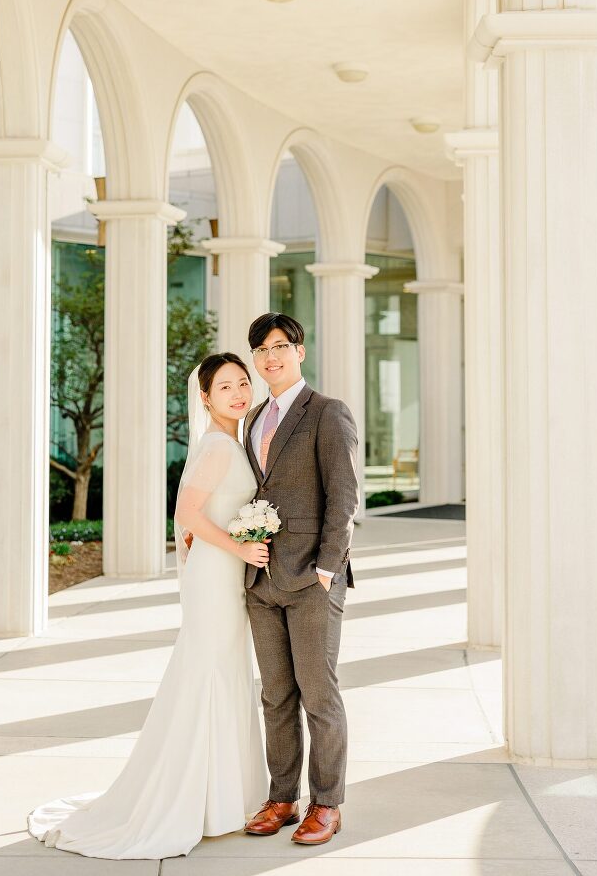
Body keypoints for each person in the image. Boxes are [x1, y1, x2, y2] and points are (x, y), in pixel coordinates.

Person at [27, 352, 268, 860]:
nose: (238, 393)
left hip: (224, 570)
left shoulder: (234, 441)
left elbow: (204, 515)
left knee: (224, 673)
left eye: (242, 383)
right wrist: (241, 547)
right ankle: (195, 801)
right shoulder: (216, 446)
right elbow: (186, 513)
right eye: (225, 387)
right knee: (209, 674)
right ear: (205, 397)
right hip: (217, 573)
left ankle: (223, 798)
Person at [242, 312, 359, 846]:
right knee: (276, 697)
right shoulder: (253, 418)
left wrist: (327, 569)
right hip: (261, 579)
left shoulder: (328, 412)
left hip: (313, 577)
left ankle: (326, 804)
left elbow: (344, 495)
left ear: (299, 352)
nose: (271, 357)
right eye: (262, 349)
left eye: (280, 346)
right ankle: (282, 798)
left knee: (318, 695)